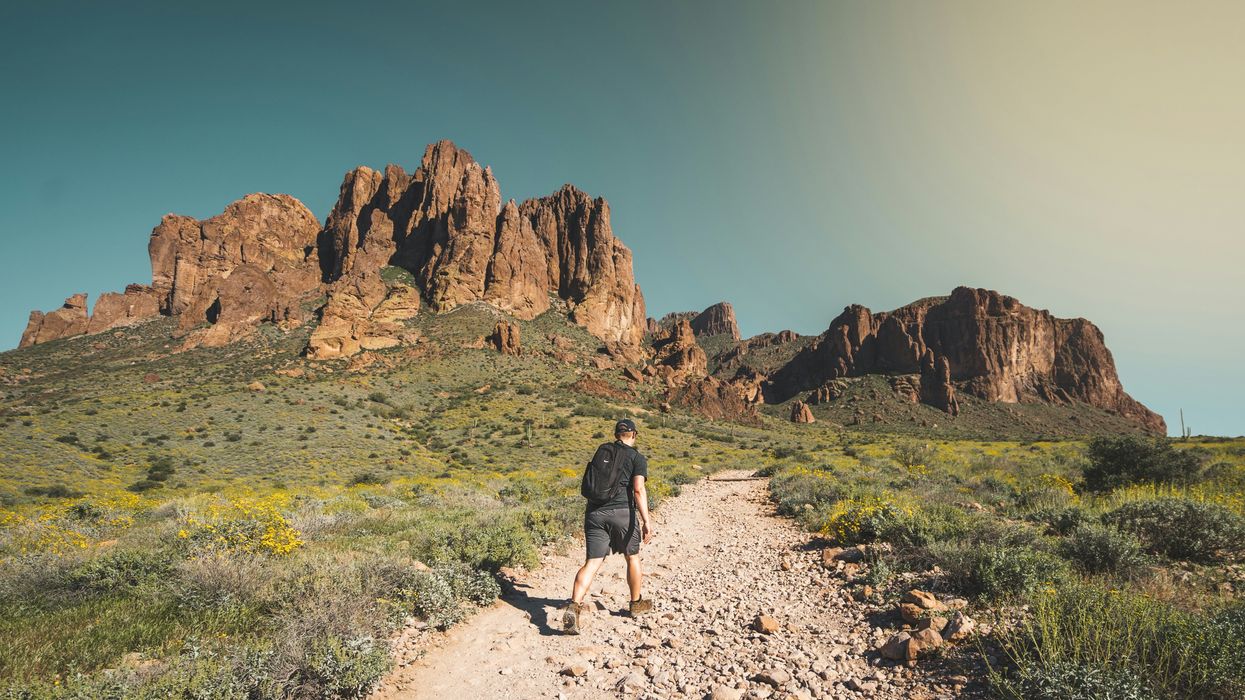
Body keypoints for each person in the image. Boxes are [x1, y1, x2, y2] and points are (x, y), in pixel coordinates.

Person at [562, 418, 653, 634]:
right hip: (623, 512)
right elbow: (638, 490)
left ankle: (574, 606)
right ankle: (636, 604)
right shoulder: (637, 458)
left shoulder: (602, 450)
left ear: (615, 434)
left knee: (592, 562)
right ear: (634, 434)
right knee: (632, 557)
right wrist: (647, 521)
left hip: (594, 512)